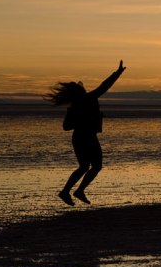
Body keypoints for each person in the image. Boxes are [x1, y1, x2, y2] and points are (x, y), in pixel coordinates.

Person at [46, 60, 126, 206]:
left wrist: (117, 73)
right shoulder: (87, 99)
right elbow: (104, 86)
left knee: (86, 166)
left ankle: (70, 191)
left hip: (81, 137)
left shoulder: (75, 106)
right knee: (94, 166)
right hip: (86, 137)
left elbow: (66, 127)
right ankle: (75, 191)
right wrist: (117, 73)